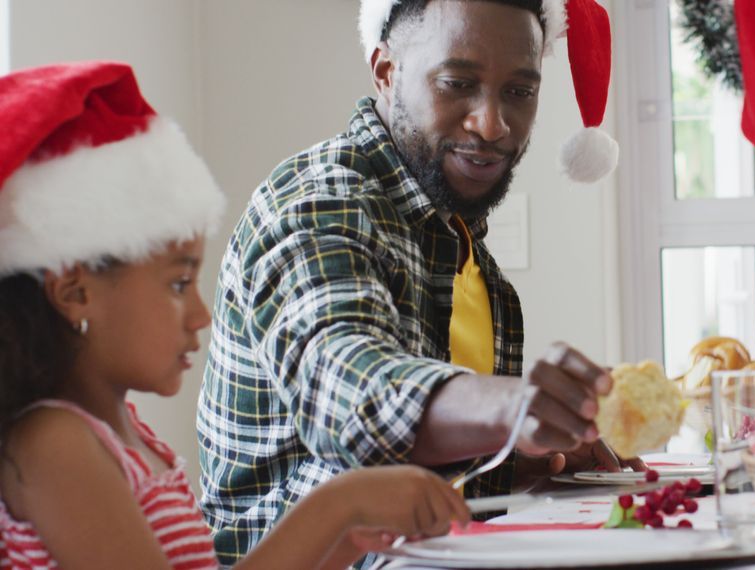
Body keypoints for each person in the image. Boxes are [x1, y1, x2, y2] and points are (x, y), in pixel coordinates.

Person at [197, 0, 629, 563]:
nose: (492, 123)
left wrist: (518, 458)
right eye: (457, 83)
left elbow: (412, 481)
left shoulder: (464, 248)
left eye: (519, 91)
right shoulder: (318, 203)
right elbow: (349, 392)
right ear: (385, 71)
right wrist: (511, 407)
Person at [0, 61, 468, 570]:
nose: (201, 315)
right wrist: (340, 502)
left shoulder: (127, 438)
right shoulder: (56, 445)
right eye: (179, 284)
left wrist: (348, 536)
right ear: (75, 293)